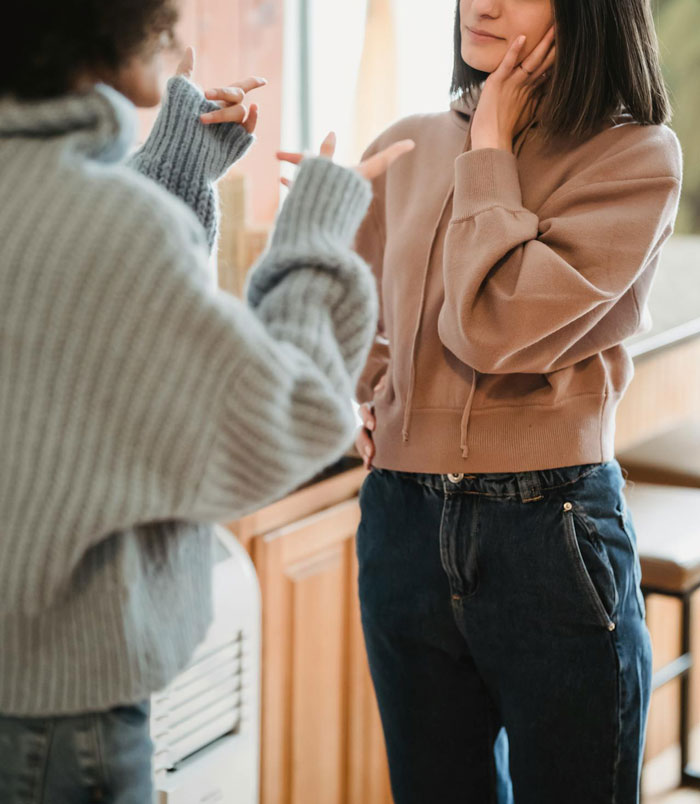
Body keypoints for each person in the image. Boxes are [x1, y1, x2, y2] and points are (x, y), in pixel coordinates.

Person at [0, 0, 414, 800]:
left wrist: (177, 169)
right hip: (60, 723)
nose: (177, 25)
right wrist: (316, 227)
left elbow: (86, 320)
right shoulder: (111, 222)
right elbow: (289, 419)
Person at [351, 0, 682, 801]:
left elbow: (493, 328)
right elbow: (357, 312)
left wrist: (490, 148)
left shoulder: (634, 157)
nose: (483, 4)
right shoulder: (406, 144)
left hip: (553, 536)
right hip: (401, 526)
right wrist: (369, 392)